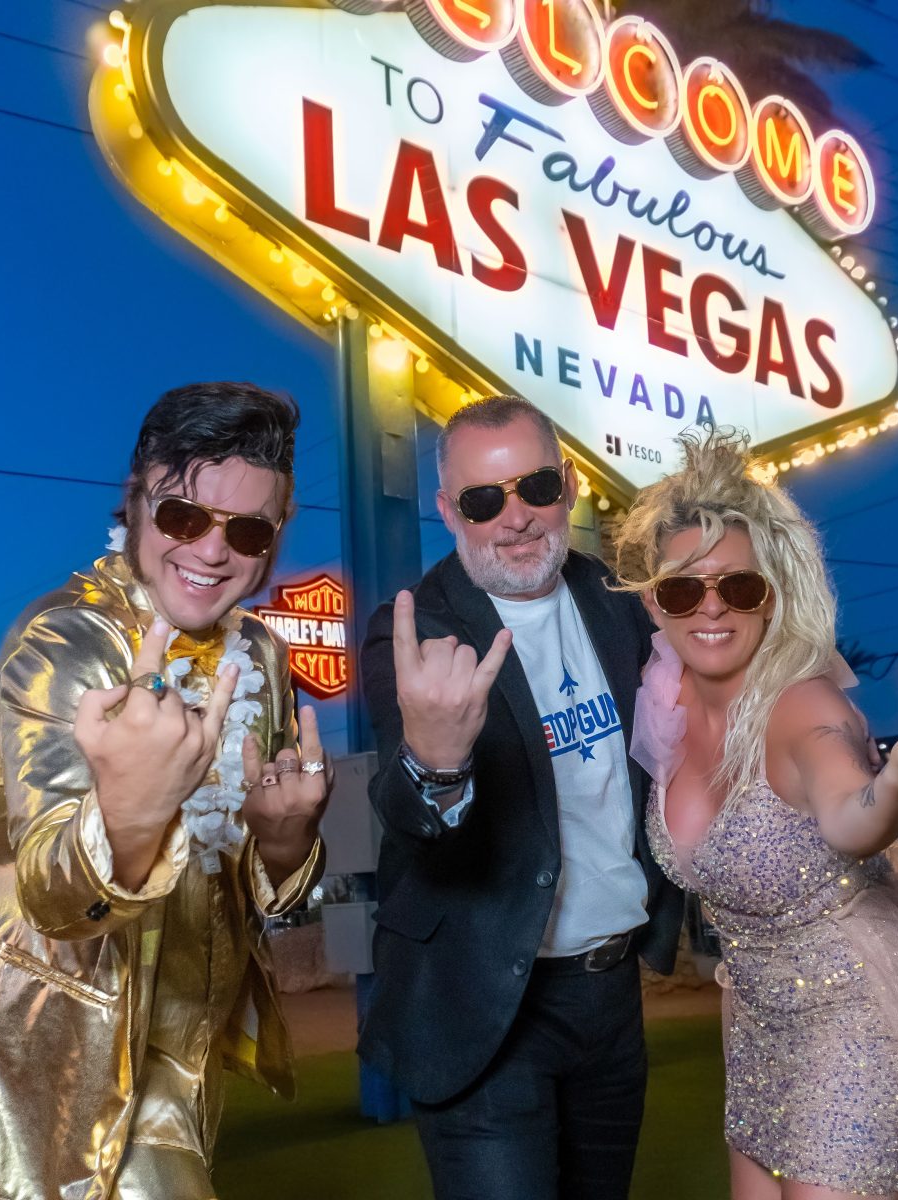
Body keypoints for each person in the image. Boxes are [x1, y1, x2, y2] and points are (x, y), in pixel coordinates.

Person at [615, 429, 898, 1200]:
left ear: (772, 596)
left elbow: (852, 818)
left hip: (855, 1022)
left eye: (739, 587)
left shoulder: (804, 706)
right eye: (682, 590)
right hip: (754, 1028)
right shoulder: (664, 706)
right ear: (654, 603)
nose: (711, 607)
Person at [0, 382, 332, 1200]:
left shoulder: (259, 656)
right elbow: (50, 893)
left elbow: (254, 878)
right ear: (137, 501)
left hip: (187, 1046)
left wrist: (287, 838)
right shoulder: (64, 644)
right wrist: (128, 812)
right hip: (54, 1047)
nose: (213, 551)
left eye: (248, 530)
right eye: (184, 516)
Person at [359, 395, 683, 1199]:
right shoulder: (413, 632)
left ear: (567, 485)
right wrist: (436, 763)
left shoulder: (621, 598)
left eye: (535, 487)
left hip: (611, 995)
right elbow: (403, 810)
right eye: (482, 500)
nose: (515, 518)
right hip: (482, 1005)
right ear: (447, 512)